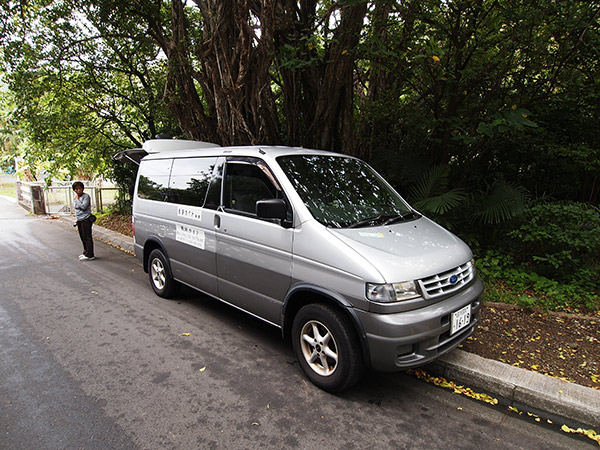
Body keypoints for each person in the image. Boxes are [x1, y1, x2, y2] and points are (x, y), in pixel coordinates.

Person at [72, 181, 95, 261]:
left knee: (87, 237)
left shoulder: (86, 196)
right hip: (79, 219)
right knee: (82, 236)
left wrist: (77, 200)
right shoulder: (76, 197)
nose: (78, 190)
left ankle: (90, 254)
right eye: (76, 189)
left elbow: (83, 206)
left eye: (80, 189)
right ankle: (85, 252)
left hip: (86, 218)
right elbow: (76, 209)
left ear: (82, 189)